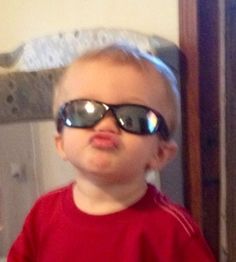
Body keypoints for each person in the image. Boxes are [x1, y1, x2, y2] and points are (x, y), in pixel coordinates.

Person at [8, 44, 215, 261]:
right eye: (84, 111)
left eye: (133, 117)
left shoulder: (174, 231)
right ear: (60, 143)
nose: (106, 125)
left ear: (160, 154)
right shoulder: (43, 214)